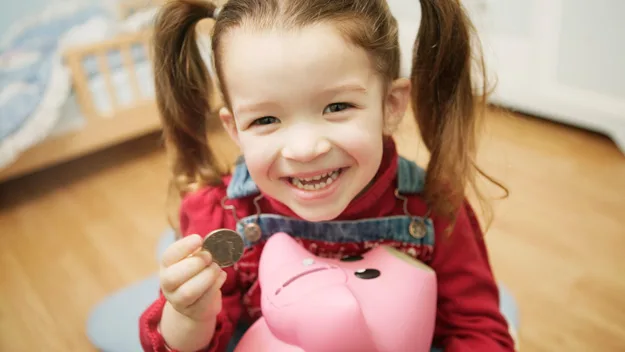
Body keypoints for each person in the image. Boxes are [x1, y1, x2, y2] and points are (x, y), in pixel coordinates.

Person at [139, 0, 516, 351]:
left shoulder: (432, 208)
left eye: (337, 106)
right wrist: (190, 316)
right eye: (266, 119)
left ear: (390, 106)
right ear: (235, 129)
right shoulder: (221, 214)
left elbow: (478, 330)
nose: (304, 149)